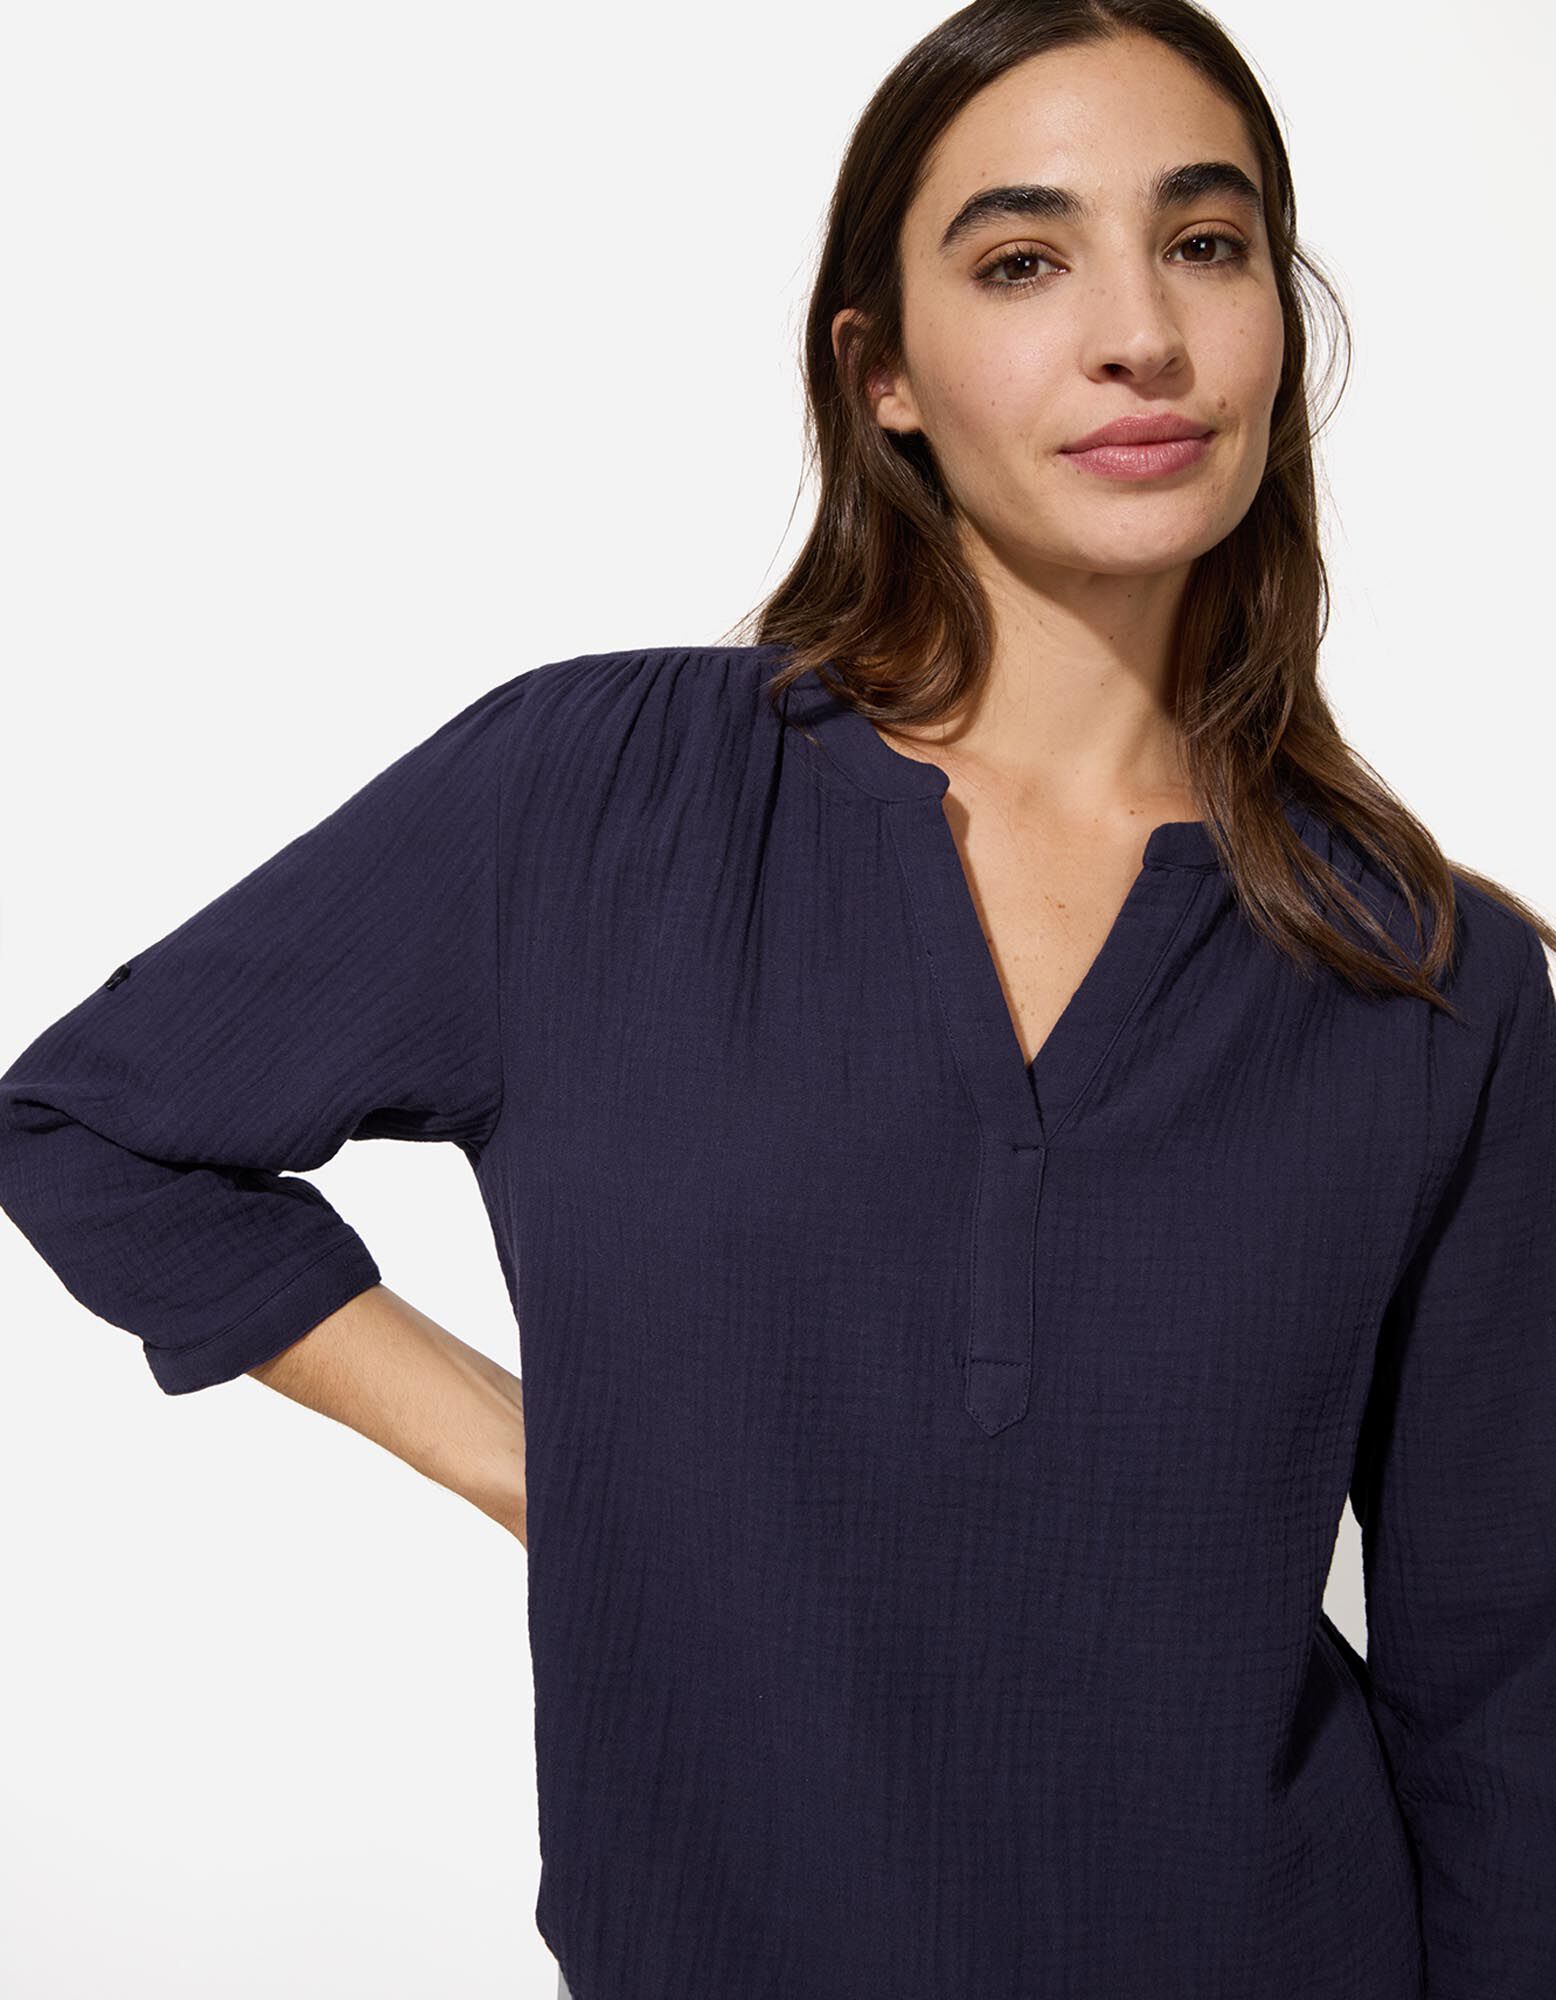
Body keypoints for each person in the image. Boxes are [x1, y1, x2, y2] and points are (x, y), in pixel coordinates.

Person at [1, 2, 1552, 1996]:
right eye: (1023, 260)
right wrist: (547, 1467)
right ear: (880, 372)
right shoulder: (599, 804)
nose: (1140, 335)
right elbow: (93, 1121)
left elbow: (1503, 1699)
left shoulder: (1430, 975)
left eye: (1204, 242)